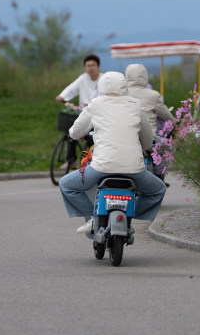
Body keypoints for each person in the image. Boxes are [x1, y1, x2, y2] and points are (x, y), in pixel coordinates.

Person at [58, 72, 166, 233]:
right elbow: (147, 140)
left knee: (66, 185)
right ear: (124, 86)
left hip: (100, 168)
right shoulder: (136, 104)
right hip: (134, 169)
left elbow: (74, 132)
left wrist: (78, 134)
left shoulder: (96, 103)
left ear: (101, 85)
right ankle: (129, 214)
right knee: (158, 189)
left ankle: (91, 218)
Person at [55, 54, 102, 167]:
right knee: (71, 133)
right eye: (88, 66)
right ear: (85, 67)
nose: (90, 68)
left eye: (93, 65)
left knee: (93, 136)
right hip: (84, 112)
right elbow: (72, 88)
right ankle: (71, 160)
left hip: (99, 113)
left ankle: (95, 159)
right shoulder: (82, 78)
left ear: (98, 67)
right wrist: (62, 96)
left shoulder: (104, 79)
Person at [124, 63, 172, 142]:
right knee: (171, 150)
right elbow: (167, 117)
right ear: (145, 76)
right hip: (149, 141)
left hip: (127, 139)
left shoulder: (122, 94)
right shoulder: (153, 95)